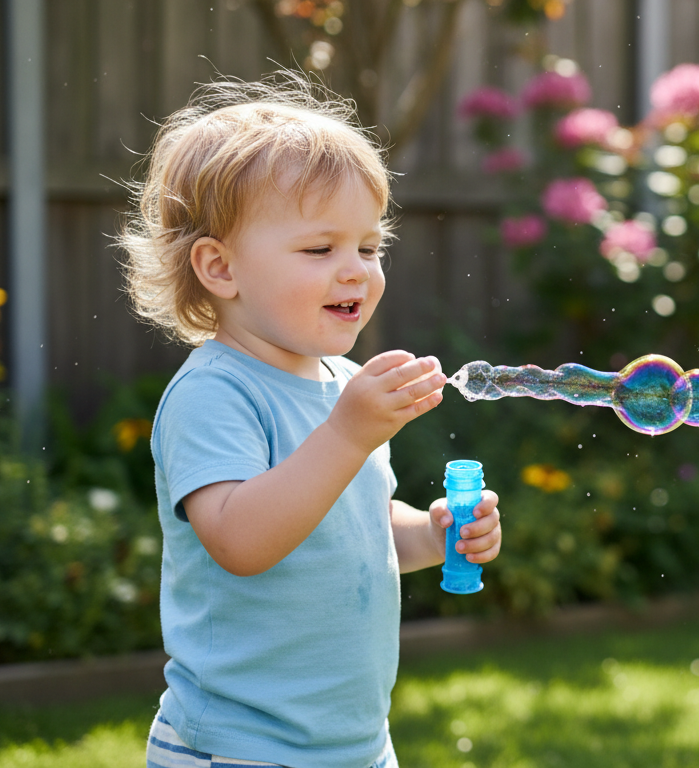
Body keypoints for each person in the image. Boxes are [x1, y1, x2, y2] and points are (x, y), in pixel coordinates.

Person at [119, 71, 502, 768]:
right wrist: (349, 433)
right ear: (220, 267)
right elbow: (242, 540)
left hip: (351, 744)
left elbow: (356, 522)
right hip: (240, 747)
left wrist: (434, 530)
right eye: (321, 249)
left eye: (368, 246)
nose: (356, 270)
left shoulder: (343, 386)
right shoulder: (215, 393)